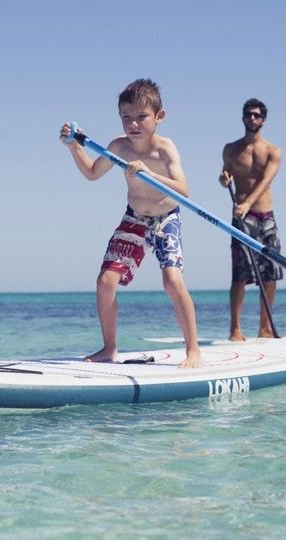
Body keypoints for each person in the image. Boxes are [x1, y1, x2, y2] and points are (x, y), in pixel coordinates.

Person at [59, 78, 202, 369]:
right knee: (105, 282)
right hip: (134, 218)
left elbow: (184, 190)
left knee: (172, 282)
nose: (133, 124)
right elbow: (92, 173)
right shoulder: (119, 147)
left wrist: (149, 173)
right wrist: (73, 147)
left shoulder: (165, 149)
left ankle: (194, 350)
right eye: (126, 117)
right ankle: (109, 348)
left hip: (166, 220)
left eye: (141, 117)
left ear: (159, 116)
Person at [219, 98, 283, 341]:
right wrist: (224, 179)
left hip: (265, 216)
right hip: (241, 219)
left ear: (263, 120)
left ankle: (265, 328)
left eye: (257, 115)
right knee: (239, 275)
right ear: (243, 117)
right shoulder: (231, 149)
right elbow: (226, 173)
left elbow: (266, 181)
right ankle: (235, 329)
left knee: (270, 274)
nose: (252, 118)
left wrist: (247, 203)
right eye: (248, 114)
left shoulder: (272, 151)